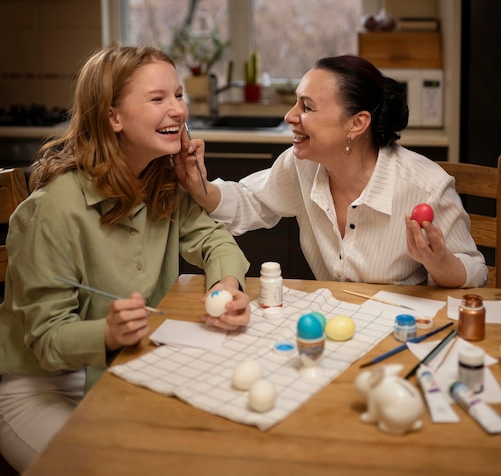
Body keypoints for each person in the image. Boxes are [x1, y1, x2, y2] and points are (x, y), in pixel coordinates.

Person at [0, 45, 251, 473]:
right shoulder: (53, 209)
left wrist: (224, 285)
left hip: (126, 368)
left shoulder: (161, 180)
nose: (178, 110)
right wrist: (108, 333)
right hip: (45, 387)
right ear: (113, 117)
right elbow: (46, 341)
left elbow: (215, 241)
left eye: (178, 95)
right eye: (157, 99)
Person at [176, 54, 488, 289]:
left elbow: (475, 271)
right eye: (296, 103)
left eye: (307, 107)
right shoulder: (302, 165)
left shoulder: (427, 186)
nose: (289, 116)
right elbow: (249, 201)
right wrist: (199, 186)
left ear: (357, 124)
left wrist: (440, 262)